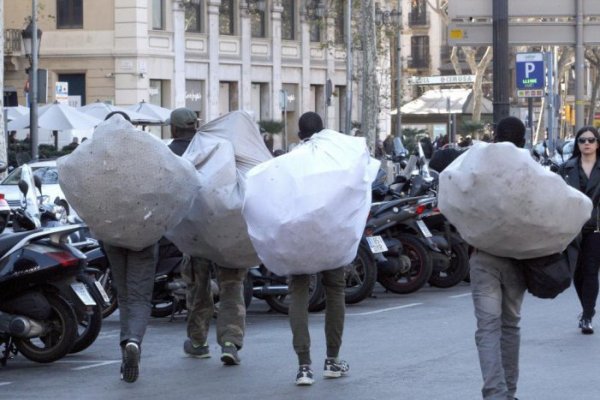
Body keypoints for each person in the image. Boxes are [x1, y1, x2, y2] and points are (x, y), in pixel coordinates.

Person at [166, 107, 248, 365]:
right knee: (231, 287)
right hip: (226, 231)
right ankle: (230, 342)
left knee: (197, 289)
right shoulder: (217, 146)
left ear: (174, 129)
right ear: (196, 126)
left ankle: (198, 342)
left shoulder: (170, 154)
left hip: (193, 237)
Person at [470, 116, 527, 400]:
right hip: (518, 257)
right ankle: (510, 392)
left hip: (483, 256)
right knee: (510, 325)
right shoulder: (531, 170)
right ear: (523, 140)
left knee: (488, 327)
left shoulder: (478, 166)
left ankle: (495, 393)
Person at [290, 111, 349, 386]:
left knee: (299, 290)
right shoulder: (335, 157)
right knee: (335, 290)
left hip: (300, 234)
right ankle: (332, 360)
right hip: (331, 232)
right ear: (323, 131)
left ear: (300, 135)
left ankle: (304, 366)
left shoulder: (290, 160)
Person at [101, 112, 157, 383]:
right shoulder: (146, 152)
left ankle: (126, 351)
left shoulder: (98, 158)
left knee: (123, 296)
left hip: (112, 231)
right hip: (143, 232)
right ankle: (134, 341)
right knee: (139, 297)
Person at [558, 125, 600, 335]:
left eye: (591, 140)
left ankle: (587, 315)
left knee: (591, 272)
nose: (586, 144)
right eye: (582, 140)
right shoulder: (566, 168)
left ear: (597, 143)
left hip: (596, 229)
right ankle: (586, 310)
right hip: (572, 227)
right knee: (576, 272)